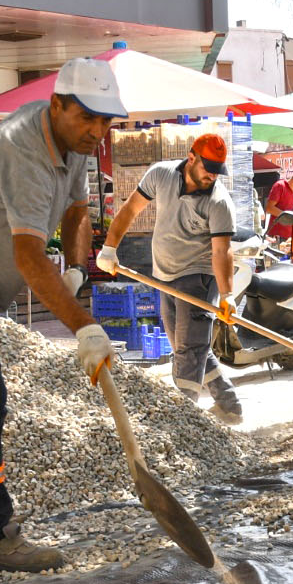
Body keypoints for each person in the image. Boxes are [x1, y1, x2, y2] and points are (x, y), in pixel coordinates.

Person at [0, 55, 124, 570]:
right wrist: (83, 327)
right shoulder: (24, 149)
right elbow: (29, 258)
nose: (96, 132)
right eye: (87, 117)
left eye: (106, 121)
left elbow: (79, 210)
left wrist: (78, 269)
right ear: (57, 105)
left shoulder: (74, 144)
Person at [97, 132, 244, 424]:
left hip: (198, 280)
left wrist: (226, 295)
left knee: (189, 352)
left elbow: (221, 252)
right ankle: (230, 407)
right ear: (192, 158)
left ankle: (180, 423)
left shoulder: (219, 202)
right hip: (164, 276)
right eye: (208, 169)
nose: (212, 177)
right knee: (186, 348)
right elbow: (130, 211)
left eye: (217, 172)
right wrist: (110, 247)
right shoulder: (161, 174)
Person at [266, 166, 293, 246]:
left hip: (292, 238)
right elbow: (269, 208)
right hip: (276, 238)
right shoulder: (280, 186)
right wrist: (288, 217)